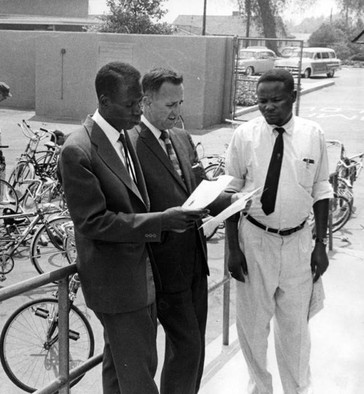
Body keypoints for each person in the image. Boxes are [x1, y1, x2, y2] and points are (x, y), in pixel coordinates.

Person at [58, 62, 206, 394]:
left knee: (118, 371)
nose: (138, 111)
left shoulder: (123, 136)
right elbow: (92, 222)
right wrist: (161, 221)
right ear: (104, 100)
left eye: (140, 102)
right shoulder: (78, 149)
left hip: (141, 277)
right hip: (117, 285)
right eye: (130, 105)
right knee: (140, 377)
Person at [225, 69, 333, 393]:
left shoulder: (313, 134)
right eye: (261, 101)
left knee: (295, 329)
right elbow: (230, 192)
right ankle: (260, 387)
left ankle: (296, 389)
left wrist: (320, 245)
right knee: (253, 328)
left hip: (299, 242)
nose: (268, 107)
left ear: (293, 97)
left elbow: (322, 190)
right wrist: (233, 248)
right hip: (255, 239)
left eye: (275, 100)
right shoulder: (244, 136)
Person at [128, 67, 232, 394]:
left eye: (180, 104)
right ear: (145, 102)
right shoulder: (130, 144)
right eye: (170, 105)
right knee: (186, 347)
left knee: (193, 347)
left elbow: (200, 188)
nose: (177, 112)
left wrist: (236, 199)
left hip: (194, 262)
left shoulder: (181, 138)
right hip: (161, 265)